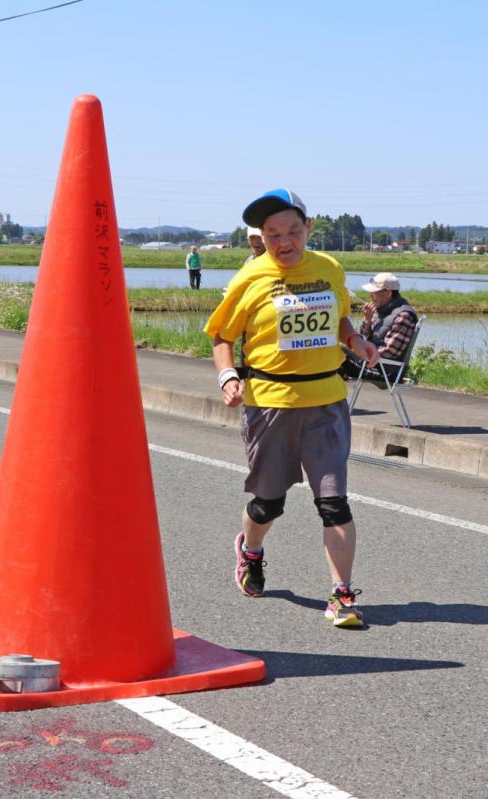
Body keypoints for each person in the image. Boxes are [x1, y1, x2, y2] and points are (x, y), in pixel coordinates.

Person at [206, 188, 380, 628]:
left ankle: (342, 595)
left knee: (334, 502)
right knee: (269, 503)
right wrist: (228, 376)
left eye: (293, 231)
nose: (284, 242)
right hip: (270, 405)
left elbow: (340, 317)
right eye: (272, 234)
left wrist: (355, 341)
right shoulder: (249, 279)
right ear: (260, 237)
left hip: (326, 401)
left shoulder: (328, 268)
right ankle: (250, 550)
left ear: (308, 229)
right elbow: (222, 336)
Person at [339, 272, 419, 383]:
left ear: (388, 293)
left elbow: (390, 351)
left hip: (386, 372)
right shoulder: (380, 310)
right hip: (372, 364)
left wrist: (362, 354)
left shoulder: (404, 315)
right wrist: (367, 320)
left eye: (374, 292)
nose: (371, 296)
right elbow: (363, 340)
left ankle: (330, 399)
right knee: (335, 352)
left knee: (337, 356)